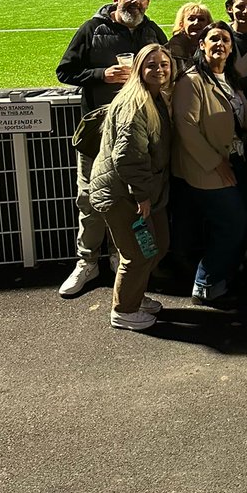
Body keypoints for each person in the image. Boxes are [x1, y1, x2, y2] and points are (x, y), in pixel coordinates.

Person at [56, 0, 168, 297]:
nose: (135, 2)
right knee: (90, 200)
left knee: (133, 201)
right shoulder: (91, 29)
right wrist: (99, 75)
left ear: (148, 3)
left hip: (138, 134)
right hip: (98, 133)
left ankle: (124, 259)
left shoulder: (152, 32)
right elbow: (64, 71)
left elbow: (168, 67)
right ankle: (87, 261)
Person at [88, 44, 174, 331]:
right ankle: (124, 310)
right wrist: (142, 195)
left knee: (158, 245)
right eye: (151, 65)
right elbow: (127, 155)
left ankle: (134, 296)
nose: (159, 69)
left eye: (164, 64)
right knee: (138, 253)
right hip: (123, 194)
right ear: (139, 68)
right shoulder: (135, 103)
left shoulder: (155, 96)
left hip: (138, 190)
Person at [171, 21, 247, 305]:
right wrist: (215, 163)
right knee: (232, 223)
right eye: (214, 39)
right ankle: (204, 282)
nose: (220, 45)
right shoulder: (191, 81)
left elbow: (239, 116)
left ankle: (224, 274)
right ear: (202, 45)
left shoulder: (230, 77)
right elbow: (186, 127)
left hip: (236, 160)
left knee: (238, 221)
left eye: (226, 41)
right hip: (210, 168)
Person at [165, 3, 213, 73]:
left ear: (208, 24)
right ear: (181, 24)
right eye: (191, 19)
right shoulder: (170, 50)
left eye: (201, 19)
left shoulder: (213, 45)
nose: (196, 23)